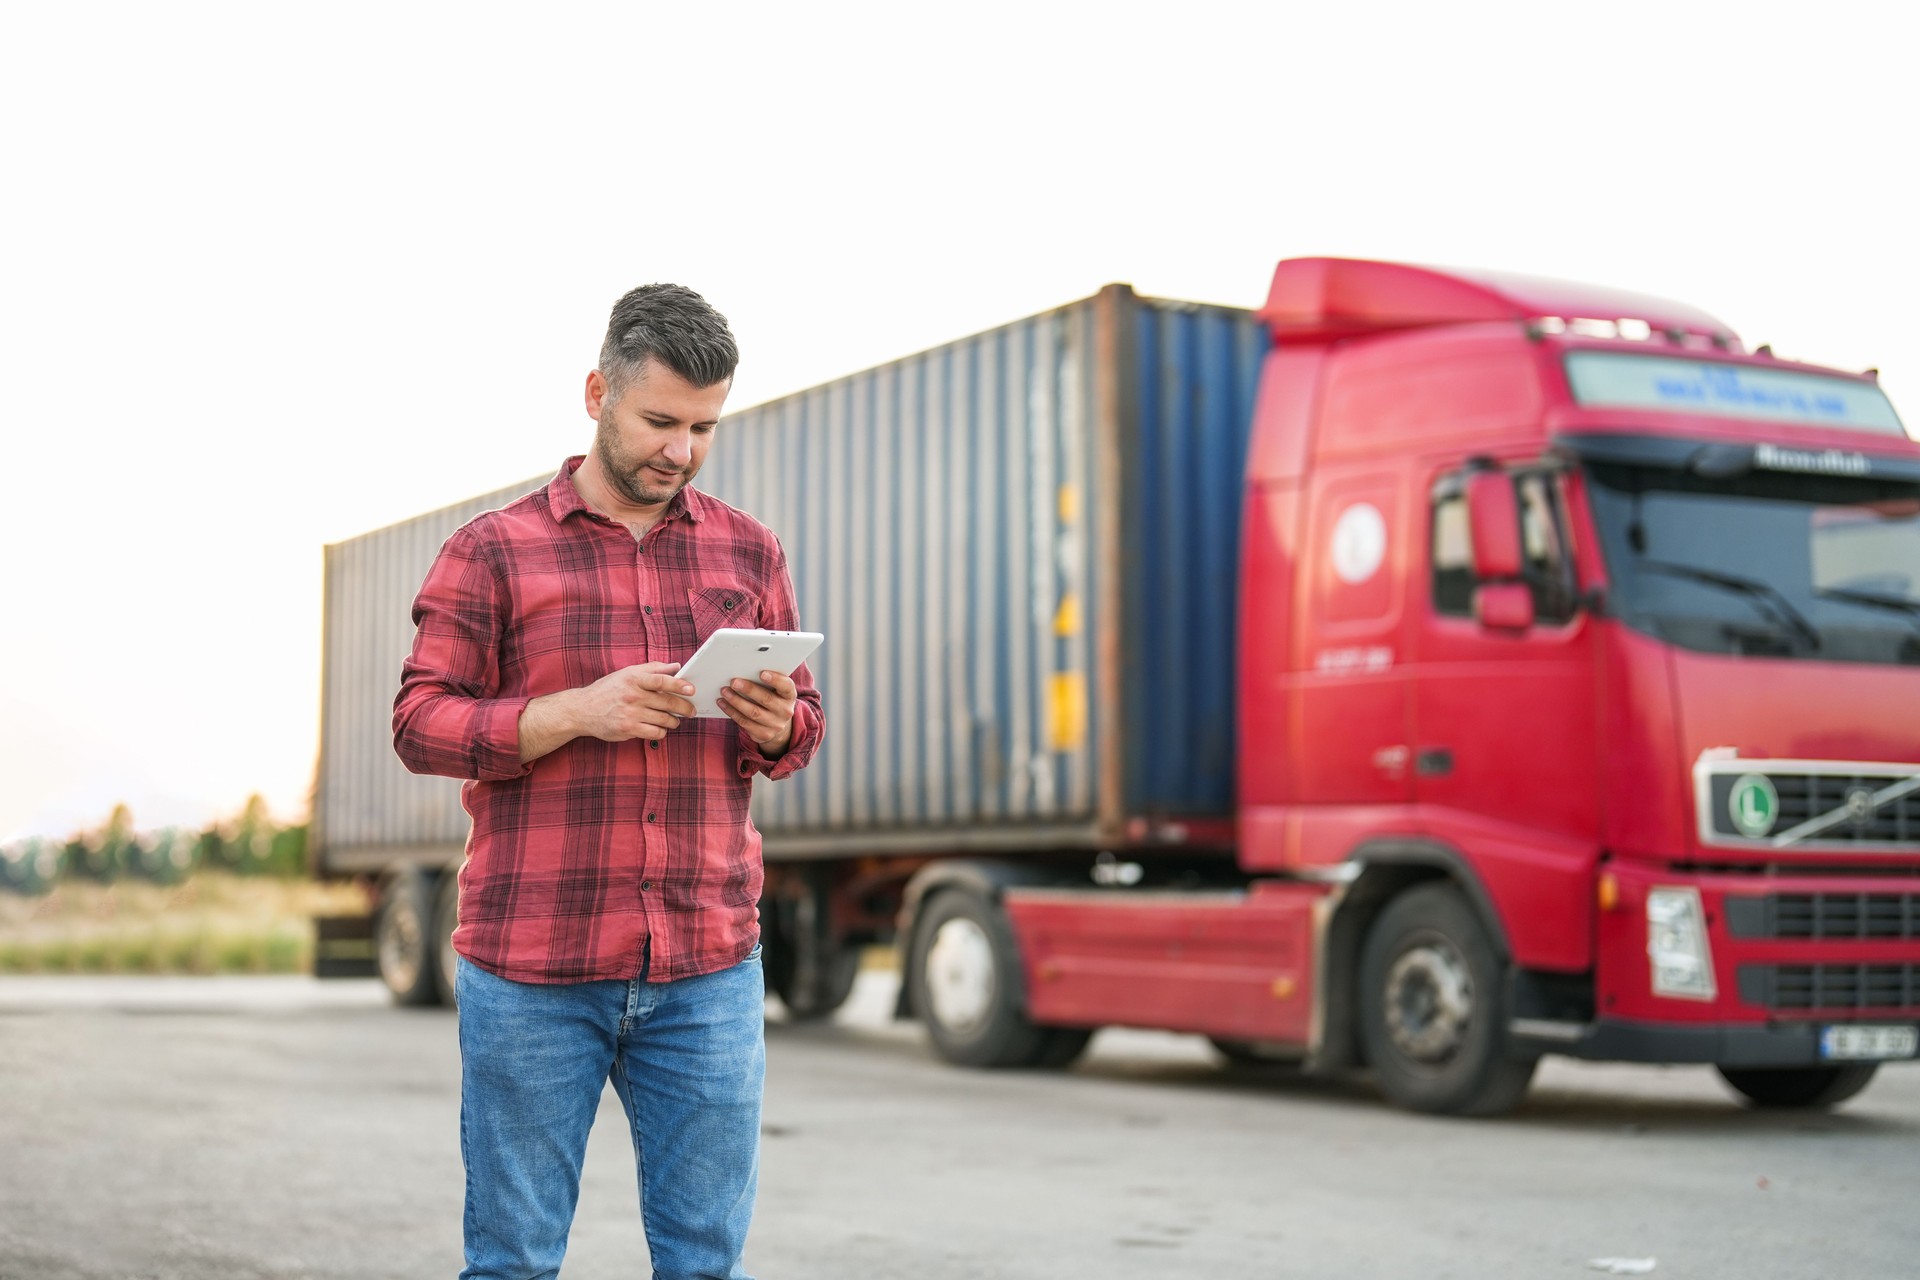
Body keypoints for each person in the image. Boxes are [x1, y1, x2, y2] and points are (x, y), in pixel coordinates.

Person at [392, 283, 823, 1280]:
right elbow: (419, 723)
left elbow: (800, 726)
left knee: (706, 1262)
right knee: (513, 1260)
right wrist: (571, 713)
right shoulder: (492, 551)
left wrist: (778, 722)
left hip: (707, 965)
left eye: (705, 427)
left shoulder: (748, 547)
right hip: (534, 964)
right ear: (597, 392)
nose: (681, 450)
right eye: (660, 421)